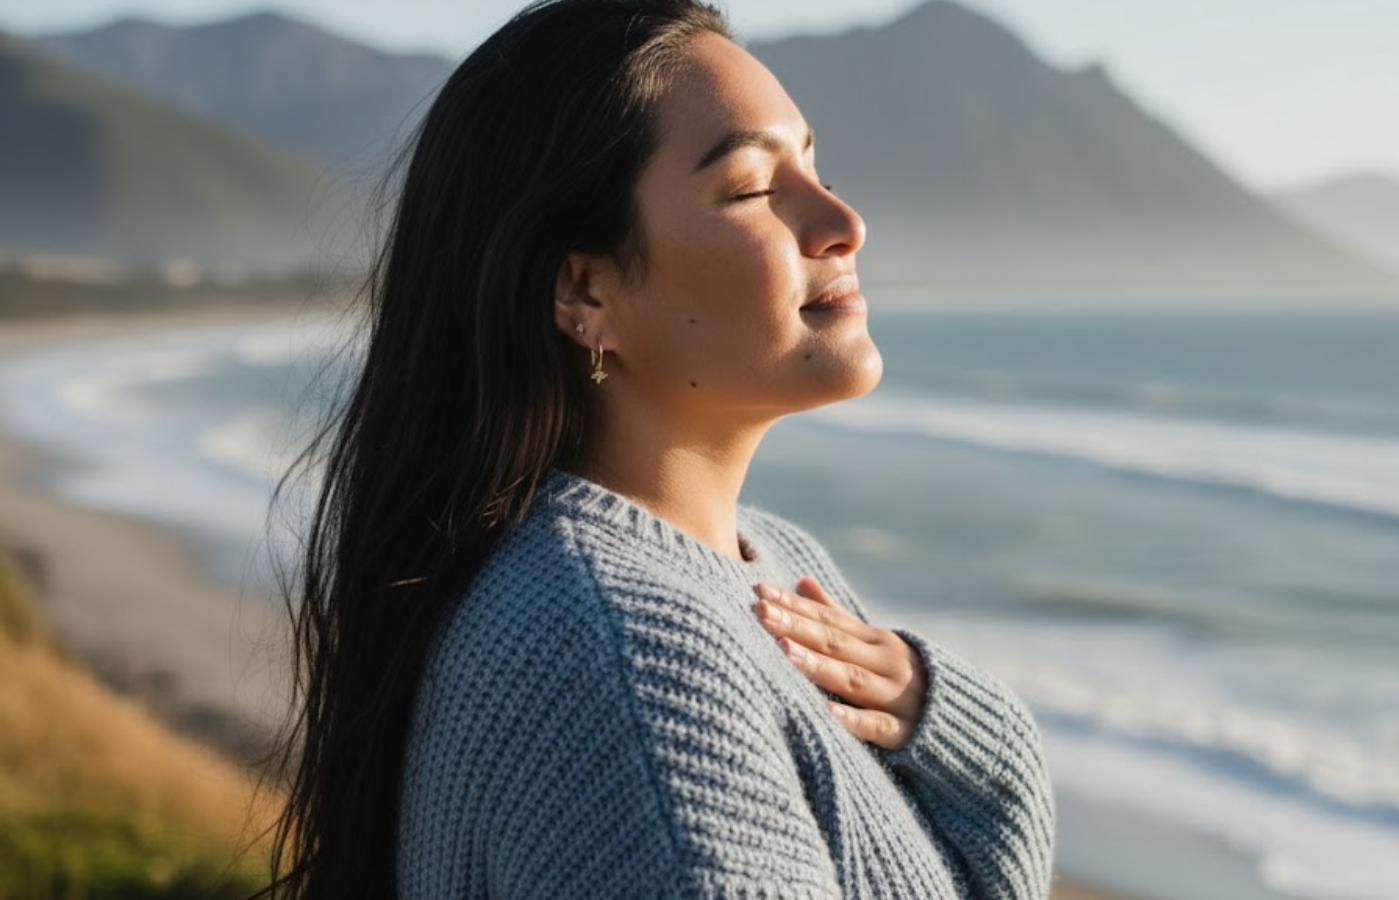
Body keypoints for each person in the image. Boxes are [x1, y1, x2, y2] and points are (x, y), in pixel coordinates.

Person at [251, 0, 1056, 897]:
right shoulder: (632, 674)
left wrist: (948, 723)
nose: (841, 220)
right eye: (754, 187)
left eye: (815, 164)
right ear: (584, 291)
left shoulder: (775, 564)